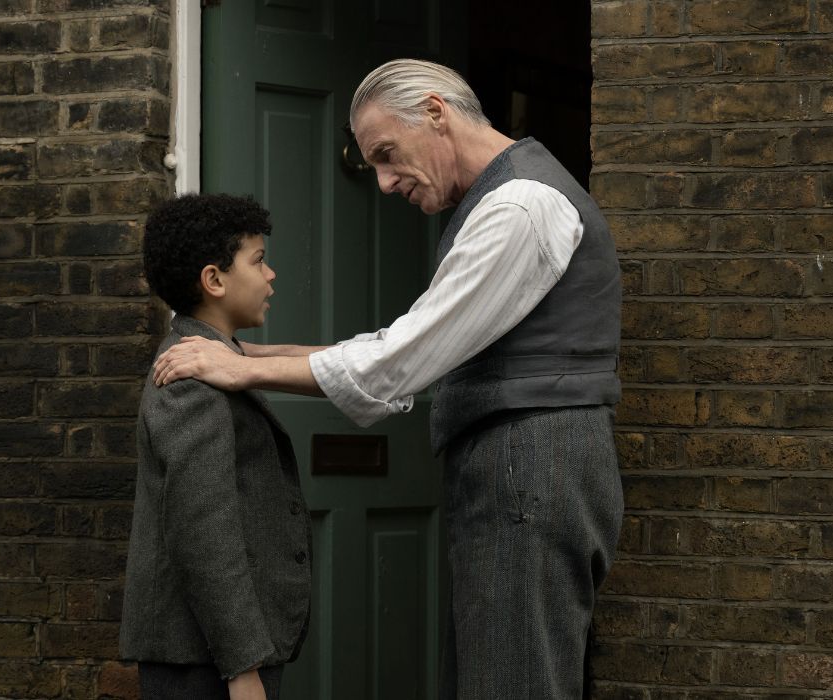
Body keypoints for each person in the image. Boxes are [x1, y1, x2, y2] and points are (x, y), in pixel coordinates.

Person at [152, 59, 623, 698]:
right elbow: (404, 343)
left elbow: (403, 356)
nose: (380, 182)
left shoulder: (521, 206)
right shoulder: (505, 198)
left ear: (435, 112)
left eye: (384, 153)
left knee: (513, 684)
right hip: (525, 468)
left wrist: (240, 368)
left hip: (531, 471)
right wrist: (256, 358)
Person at [120, 194, 312, 700]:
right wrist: (242, 664)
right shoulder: (191, 381)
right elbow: (202, 531)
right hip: (204, 658)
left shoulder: (214, 357)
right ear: (215, 280)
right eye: (258, 260)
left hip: (212, 651)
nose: (270, 275)